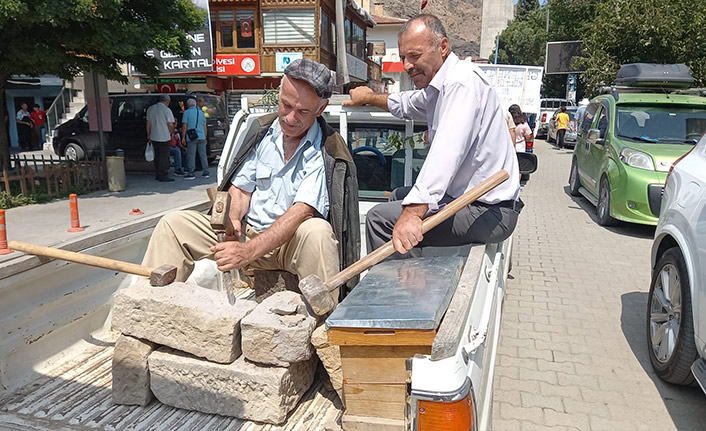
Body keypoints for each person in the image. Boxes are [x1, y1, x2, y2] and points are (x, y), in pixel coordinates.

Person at [142, 58, 360, 298]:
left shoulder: (326, 149)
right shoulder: (263, 133)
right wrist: (233, 219)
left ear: (321, 109)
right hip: (248, 232)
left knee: (317, 231)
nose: (289, 118)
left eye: (302, 112)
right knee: (173, 225)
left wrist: (248, 252)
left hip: (288, 246)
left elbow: (302, 212)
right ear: (279, 94)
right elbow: (241, 189)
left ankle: (323, 323)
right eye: (285, 105)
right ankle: (146, 306)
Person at [344, 14, 522, 255]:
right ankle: (414, 275)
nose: (407, 65)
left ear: (443, 47)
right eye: (404, 57)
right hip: (467, 200)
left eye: (414, 56)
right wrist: (369, 98)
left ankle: (402, 292)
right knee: (399, 195)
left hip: (487, 210)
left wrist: (413, 213)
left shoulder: (461, 84)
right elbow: (406, 104)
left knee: (380, 220)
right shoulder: (438, 88)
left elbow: (445, 155)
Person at [146, 95, 176, 182]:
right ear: (167, 102)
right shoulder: (167, 110)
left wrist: (148, 134)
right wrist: (172, 133)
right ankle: (164, 175)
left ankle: (158, 174)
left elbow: (148, 123)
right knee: (164, 157)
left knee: (157, 156)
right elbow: (170, 124)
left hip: (154, 136)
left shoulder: (150, 109)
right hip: (164, 136)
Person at [181, 96, 209, 180]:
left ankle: (191, 172)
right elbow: (205, 126)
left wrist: (183, 137)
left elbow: (185, 125)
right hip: (201, 136)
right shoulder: (201, 112)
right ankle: (205, 171)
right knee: (203, 155)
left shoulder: (186, 112)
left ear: (188, 105)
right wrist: (205, 137)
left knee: (191, 154)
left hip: (192, 136)